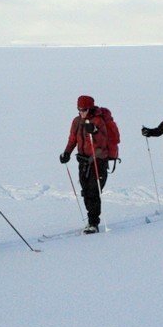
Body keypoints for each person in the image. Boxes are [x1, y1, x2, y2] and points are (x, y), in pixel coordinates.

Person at [60, 95, 114, 233]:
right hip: (83, 162)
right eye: (79, 109)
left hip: (98, 161)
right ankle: (91, 220)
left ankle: (93, 223)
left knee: (93, 191)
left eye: (84, 109)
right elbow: (72, 139)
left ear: (89, 108)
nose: (81, 112)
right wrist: (67, 153)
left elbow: (102, 141)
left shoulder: (98, 121)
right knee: (85, 191)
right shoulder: (77, 121)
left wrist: (94, 132)